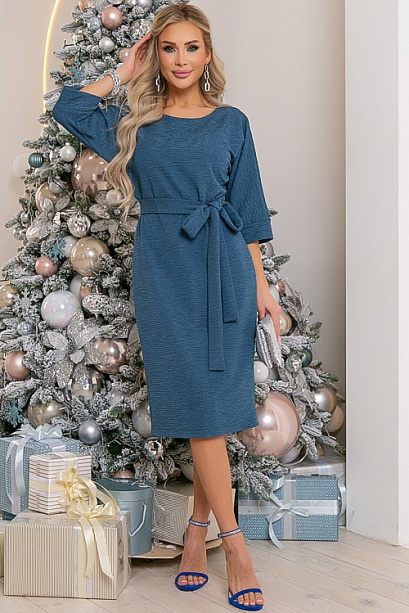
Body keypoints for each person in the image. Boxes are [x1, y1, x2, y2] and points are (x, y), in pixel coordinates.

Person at [53, 4, 281, 611]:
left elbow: (249, 209)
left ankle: (203, 535)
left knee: (216, 410)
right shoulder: (137, 123)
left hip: (226, 267)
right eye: (170, 48)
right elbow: (69, 108)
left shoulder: (232, 122)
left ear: (208, 55)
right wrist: (124, 71)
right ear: (157, 55)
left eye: (191, 48)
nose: (181, 60)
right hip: (165, 271)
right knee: (201, 407)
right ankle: (231, 544)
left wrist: (263, 287)